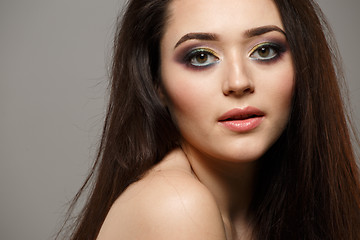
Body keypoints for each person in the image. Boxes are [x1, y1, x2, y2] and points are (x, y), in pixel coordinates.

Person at [57, 0, 360, 239]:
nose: (239, 82)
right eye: (201, 56)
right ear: (156, 83)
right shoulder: (175, 206)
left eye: (264, 50)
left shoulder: (285, 203)